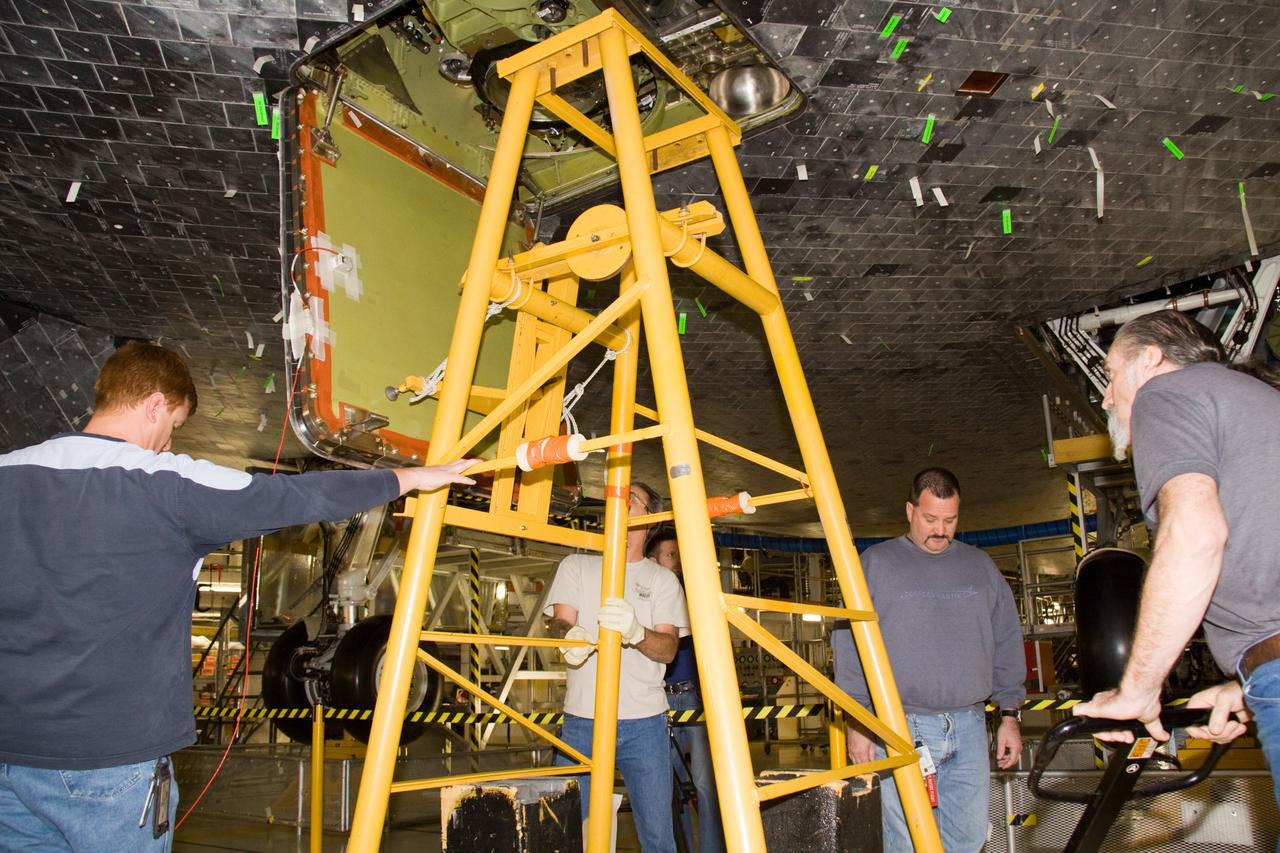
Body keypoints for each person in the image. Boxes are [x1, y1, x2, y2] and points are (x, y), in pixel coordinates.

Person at [0, 342, 476, 852]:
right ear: (155, 405)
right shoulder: (165, 483)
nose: (167, 443)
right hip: (109, 759)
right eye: (173, 425)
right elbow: (291, 497)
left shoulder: (9, 470)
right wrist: (409, 477)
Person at [1074, 309, 1280, 807]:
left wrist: (1138, 688)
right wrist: (1245, 686)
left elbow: (1194, 535)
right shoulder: (1258, 400)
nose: (1106, 397)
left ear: (1150, 359)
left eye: (1110, 375)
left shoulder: (1164, 394)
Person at [831, 467, 1025, 852]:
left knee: (968, 841)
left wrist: (1010, 716)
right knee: (905, 844)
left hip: (970, 727)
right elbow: (848, 644)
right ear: (910, 511)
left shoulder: (981, 567)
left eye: (950, 521)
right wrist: (858, 721)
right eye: (931, 519)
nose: (940, 530)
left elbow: (1006, 639)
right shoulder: (875, 564)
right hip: (899, 729)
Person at [546, 483, 688, 853]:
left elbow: (668, 649)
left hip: (645, 725)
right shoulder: (576, 566)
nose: (619, 501)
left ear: (650, 519)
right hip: (582, 722)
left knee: (658, 838)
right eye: (616, 495)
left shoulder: (662, 580)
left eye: (631, 498)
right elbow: (559, 621)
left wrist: (637, 632)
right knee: (570, 834)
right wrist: (568, 637)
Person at [647, 528, 725, 853]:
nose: (677, 561)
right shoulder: (647, 601)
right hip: (660, 699)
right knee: (668, 787)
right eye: (671, 555)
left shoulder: (693, 596)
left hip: (694, 697)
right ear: (653, 561)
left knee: (706, 784)